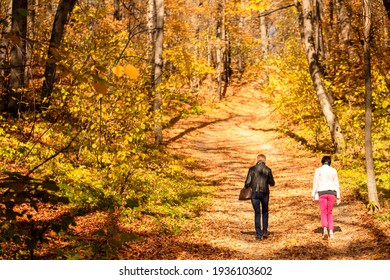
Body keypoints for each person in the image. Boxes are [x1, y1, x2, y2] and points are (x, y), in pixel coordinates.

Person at [244, 154, 275, 240]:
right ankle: (265, 231)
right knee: (265, 211)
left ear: (257, 160)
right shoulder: (268, 170)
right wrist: (267, 180)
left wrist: (247, 187)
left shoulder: (252, 169)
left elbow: (247, 183)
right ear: (265, 161)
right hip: (265, 193)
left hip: (254, 194)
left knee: (257, 213)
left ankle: (258, 234)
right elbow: (272, 183)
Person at [312, 156, 341, 239]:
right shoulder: (333, 170)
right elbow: (336, 184)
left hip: (322, 192)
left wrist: (313, 194)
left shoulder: (318, 170)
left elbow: (315, 183)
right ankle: (331, 232)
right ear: (329, 162)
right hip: (331, 193)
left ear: (322, 162)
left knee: (323, 212)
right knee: (330, 212)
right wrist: (338, 196)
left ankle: (325, 229)